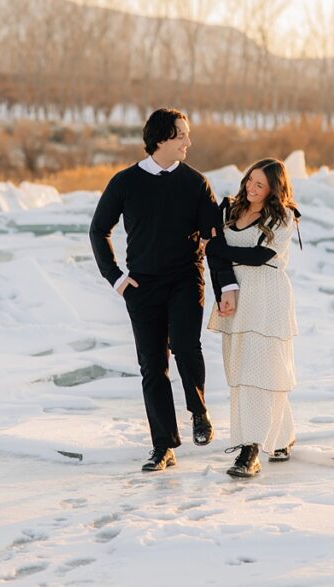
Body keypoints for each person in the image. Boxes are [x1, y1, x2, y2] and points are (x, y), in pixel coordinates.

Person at [89, 108, 240, 473]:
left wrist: (226, 284)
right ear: (162, 139)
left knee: (186, 347)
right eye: (182, 135)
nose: (189, 141)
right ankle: (163, 447)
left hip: (186, 279)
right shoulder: (125, 182)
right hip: (142, 287)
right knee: (152, 368)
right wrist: (118, 280)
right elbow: (98, 231)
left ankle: (199, 411)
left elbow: (212, 239)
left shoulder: (195, 183)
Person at [206, 158, 301, 478]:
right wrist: (223, 287)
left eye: (260, 185)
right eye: (249, 180)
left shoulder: (284, 217)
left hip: (268, 296)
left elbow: (260, 256)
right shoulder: (229, 210)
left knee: (263, 368)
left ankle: (251, 449)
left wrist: (218, 249)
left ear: (274, 189)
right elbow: (213, 254)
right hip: (236, 295)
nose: (251, 188)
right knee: (246, 371)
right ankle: (283, 436)